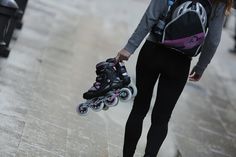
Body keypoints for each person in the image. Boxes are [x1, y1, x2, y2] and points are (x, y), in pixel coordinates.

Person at [115, 0, 233, 156]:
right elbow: (213, 39)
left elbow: (150, 17)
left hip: (152, 51)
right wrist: (201, 66)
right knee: (161, 119)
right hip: (180, 62)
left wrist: (130, 47)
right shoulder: (219, 2)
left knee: (139, 108)